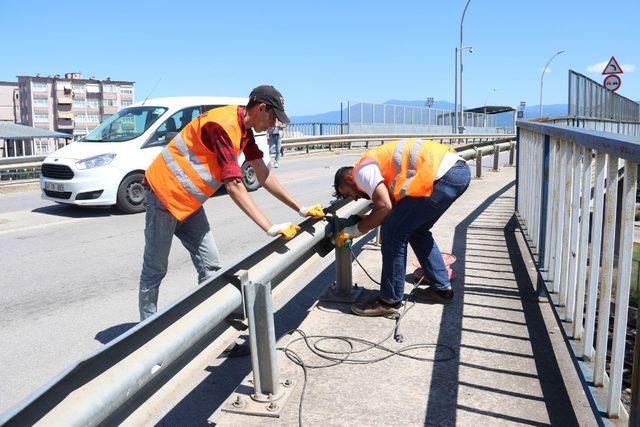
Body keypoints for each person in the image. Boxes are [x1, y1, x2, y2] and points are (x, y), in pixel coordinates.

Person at [138, 85, 325, 321]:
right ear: (261, 109)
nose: (273, 124)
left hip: (189, 203)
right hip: (163, 197)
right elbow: (234, 186)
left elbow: (262, 174)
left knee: (212, 267)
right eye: (273, 118)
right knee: (155, 270)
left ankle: (213, 326)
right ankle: (145, 334)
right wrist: (269, 227)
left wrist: (300, 208)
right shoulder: (223, 125)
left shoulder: (244, 130)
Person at [333, 138, 470, 317]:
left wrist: (355, 230)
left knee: (392, 234)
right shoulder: (375, 168)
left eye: (348, 193)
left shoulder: (362, 171)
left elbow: (384, 207)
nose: (355, 198)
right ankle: (442, 290)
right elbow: (392, 208)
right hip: (457, 173)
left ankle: (388, 301)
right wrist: (368, 219)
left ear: (350, 179)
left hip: (442, 176)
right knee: (416, 230)